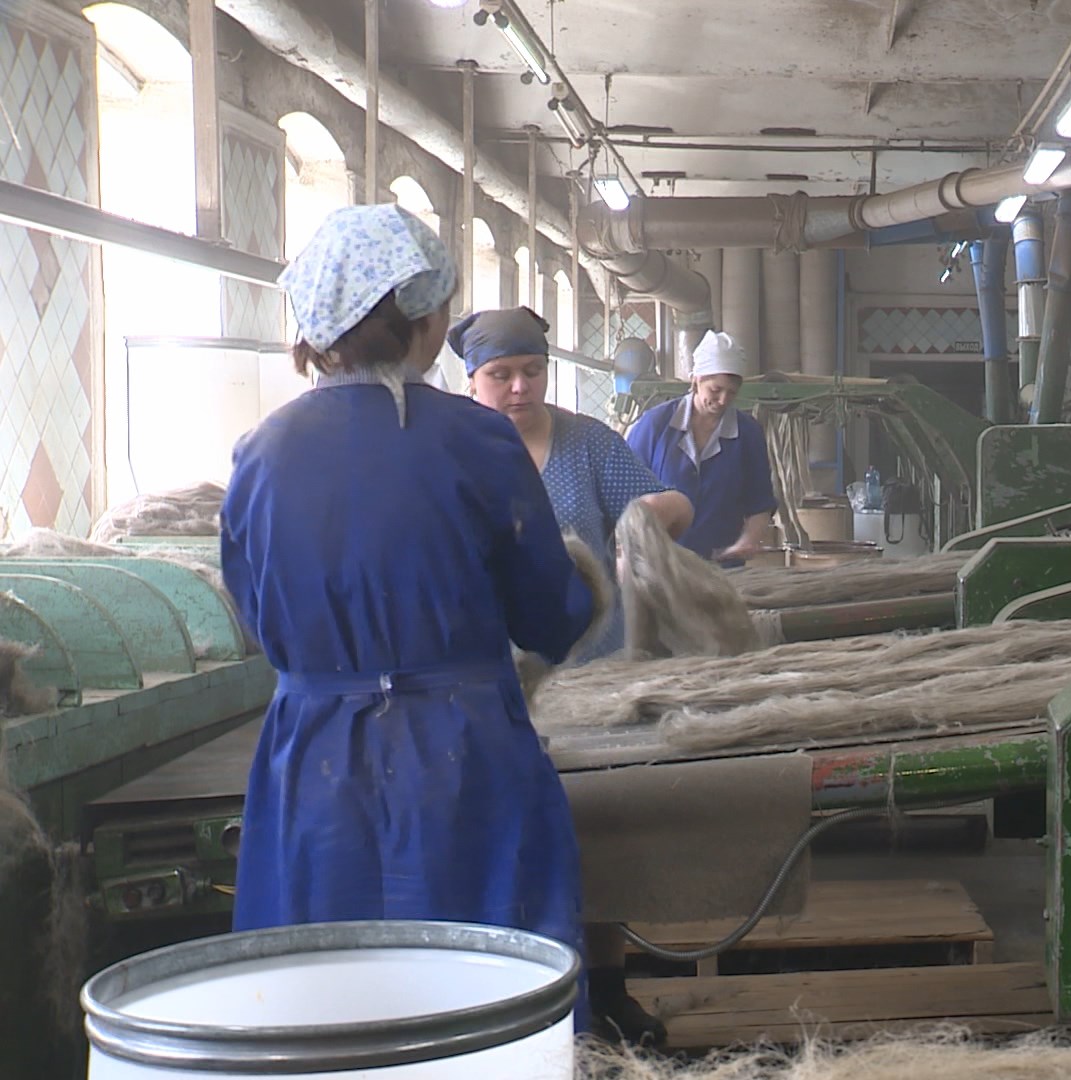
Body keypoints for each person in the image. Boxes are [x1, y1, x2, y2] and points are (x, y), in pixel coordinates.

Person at [219, 205, 606, 1030]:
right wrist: (583, 584)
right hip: (461, 755)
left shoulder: (262, 452)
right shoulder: (476, 440)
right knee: (488, 988)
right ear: (426, 318)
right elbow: (550, 616)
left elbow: (256, 617)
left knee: (319, 993)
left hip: (313, 762)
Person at [448, 306, 694, 663]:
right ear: (472, 379)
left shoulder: (588, 443)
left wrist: (658, 512)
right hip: (488, 665)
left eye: (533, 371)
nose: (520, 387)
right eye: (500, 375)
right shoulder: (449, 452)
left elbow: (676, 507)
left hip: (592, 662)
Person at [625, 330, 778, 565]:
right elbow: (624, 492)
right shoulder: (655, 425)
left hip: (723, 568)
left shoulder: (748, 434)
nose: (723, 400)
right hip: (661, 566)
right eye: (715, 390)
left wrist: (749, 539)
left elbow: (760, 502)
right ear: (696, 380)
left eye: (732, 393)